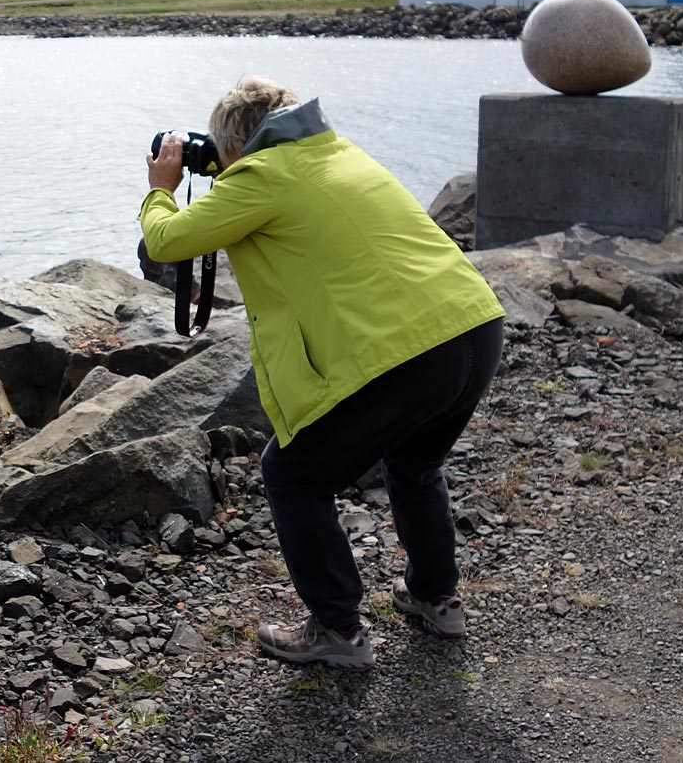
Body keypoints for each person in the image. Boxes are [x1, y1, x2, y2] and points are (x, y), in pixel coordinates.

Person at [139, 77, 505, 670]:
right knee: (414, 464)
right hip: (476, 327)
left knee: (293, 475)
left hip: (413, 353)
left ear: (238, 143)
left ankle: (337, 629)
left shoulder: (262, 176)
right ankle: (437, 599)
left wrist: (163, 187)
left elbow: (166, 240)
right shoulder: (341, 151)